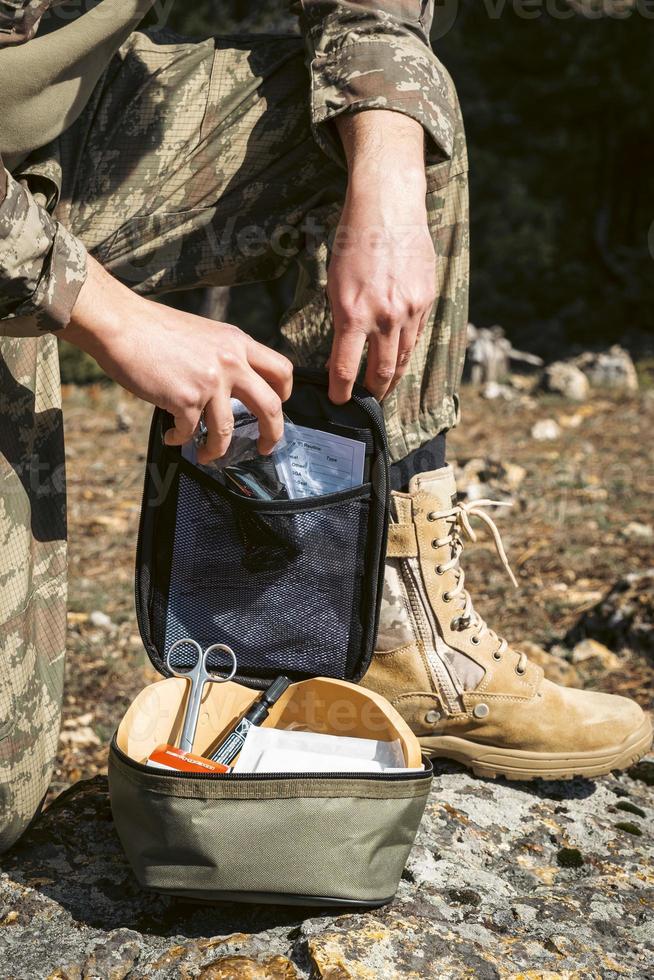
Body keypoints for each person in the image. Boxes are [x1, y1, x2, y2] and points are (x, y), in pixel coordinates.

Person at [0, 0, 649, 852]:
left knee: (391, 109)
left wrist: (385, 180)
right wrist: (103, 313)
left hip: (70, 147)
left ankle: (383, 625)